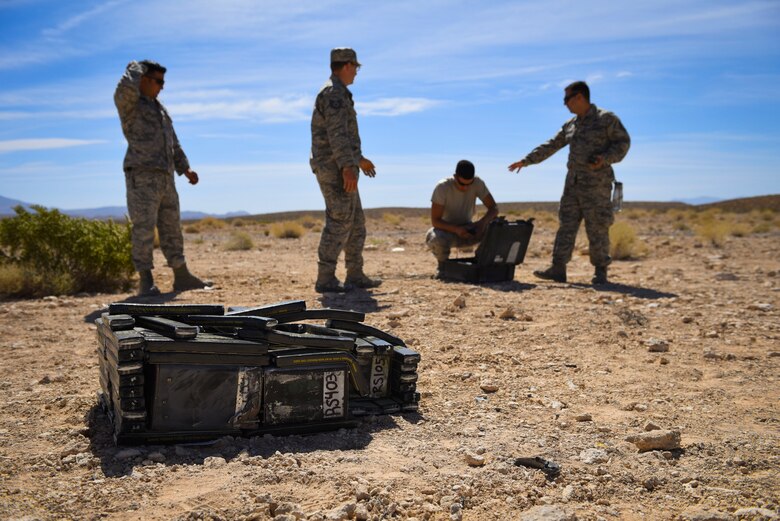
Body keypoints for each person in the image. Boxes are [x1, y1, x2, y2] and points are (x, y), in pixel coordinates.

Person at [508, 81, 630, 285]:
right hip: (572, 185)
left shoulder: (606, 119)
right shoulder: (572, 124)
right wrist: (527, 160)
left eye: (567, 99)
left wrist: (605, 158)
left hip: (597, 185)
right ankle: (558, 268)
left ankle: (600, 272)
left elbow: (623, 142)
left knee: (598, 227)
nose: (565, 104)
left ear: (580, 97)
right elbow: (552, 144)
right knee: (566, 226)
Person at [114, 60, 212, 296]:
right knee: (144, 229)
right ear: (144, 80)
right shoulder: (131, 104)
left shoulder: (160, 109)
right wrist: (135, 68)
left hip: (166, 178)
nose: (162, 87)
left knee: (172, 228)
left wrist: (185, 168)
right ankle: (145, 280)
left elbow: (173, 142)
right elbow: (124, 89)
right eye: (158, 81)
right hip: (142, 176)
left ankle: (182, 276)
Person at [310, 48, 381, 293]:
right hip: (334, 169)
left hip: (342, 166)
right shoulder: (333, 93)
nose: (357, 73)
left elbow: (344, 137)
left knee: (356, 223)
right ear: (348, 65)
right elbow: (337, 136)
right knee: (339, 220)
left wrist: (358, 160)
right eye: (356, 68)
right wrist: (347, 168)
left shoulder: (339, 93)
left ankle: (355, 274)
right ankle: (325, 278)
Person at [426, 159, 499, 277]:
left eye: (469, 184)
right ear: (455, 177)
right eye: (462, 184)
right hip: (448, 232)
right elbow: (436, 221)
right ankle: (443, 267)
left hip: (471, 230)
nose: (465, 188)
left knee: (497, 228)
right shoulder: (442, 187)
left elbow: (494, 209)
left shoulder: (478, 183)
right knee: (435, 237)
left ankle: (484, 264)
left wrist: (481, 224)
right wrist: (456, 229)